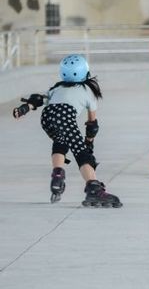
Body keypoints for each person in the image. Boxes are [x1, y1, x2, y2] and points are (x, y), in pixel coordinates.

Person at [12, 54, 122, 208]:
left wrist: (24, 108)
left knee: (60, 141)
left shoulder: (57, 87)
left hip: (47, 117)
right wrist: (88, 143)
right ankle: (94, 188)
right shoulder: (89, 91)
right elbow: (92, 124)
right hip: (64, 116)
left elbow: (38, 100)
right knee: (82, 153)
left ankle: (57, 175)